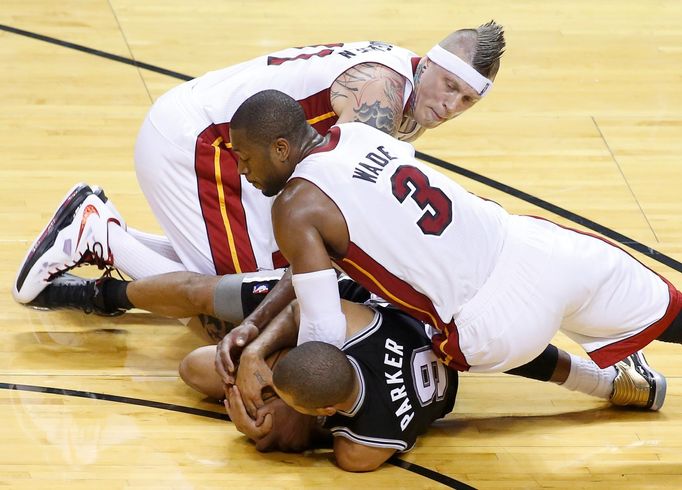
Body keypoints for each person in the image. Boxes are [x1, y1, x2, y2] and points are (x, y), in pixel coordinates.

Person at [209, 89, 681, 397]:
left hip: (491, 324)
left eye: (246, 159)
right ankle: (622, 378)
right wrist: (256, 322)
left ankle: (608, 386)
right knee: (669, 310)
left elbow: (323, 330)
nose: (243, 173)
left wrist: (297, 393)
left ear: (280, 148)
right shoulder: (355, 134)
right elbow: (316, 254)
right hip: (542, 251)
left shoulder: (293, 206)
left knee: (370, 334)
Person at [12, 22, 505, 306]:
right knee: (241, 297)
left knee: (264, 277)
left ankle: (103, 226)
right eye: (449, 87)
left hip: (243, 146)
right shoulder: (381, 90)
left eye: (466, 100)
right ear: (430, 63)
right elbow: (358, 204)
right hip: (205, 143)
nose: (450, 106)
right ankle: (99, 237)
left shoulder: (410, 90)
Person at [179, 295, 665, 472]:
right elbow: (312, 303)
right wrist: (262, 362)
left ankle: (121, 263)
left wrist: (262, 430)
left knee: (198, 351)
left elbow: (309, 303)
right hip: (441, 327)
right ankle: (609, 381)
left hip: (445, 346)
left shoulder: (357, 444)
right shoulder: (363, 443)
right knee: (500, 350)